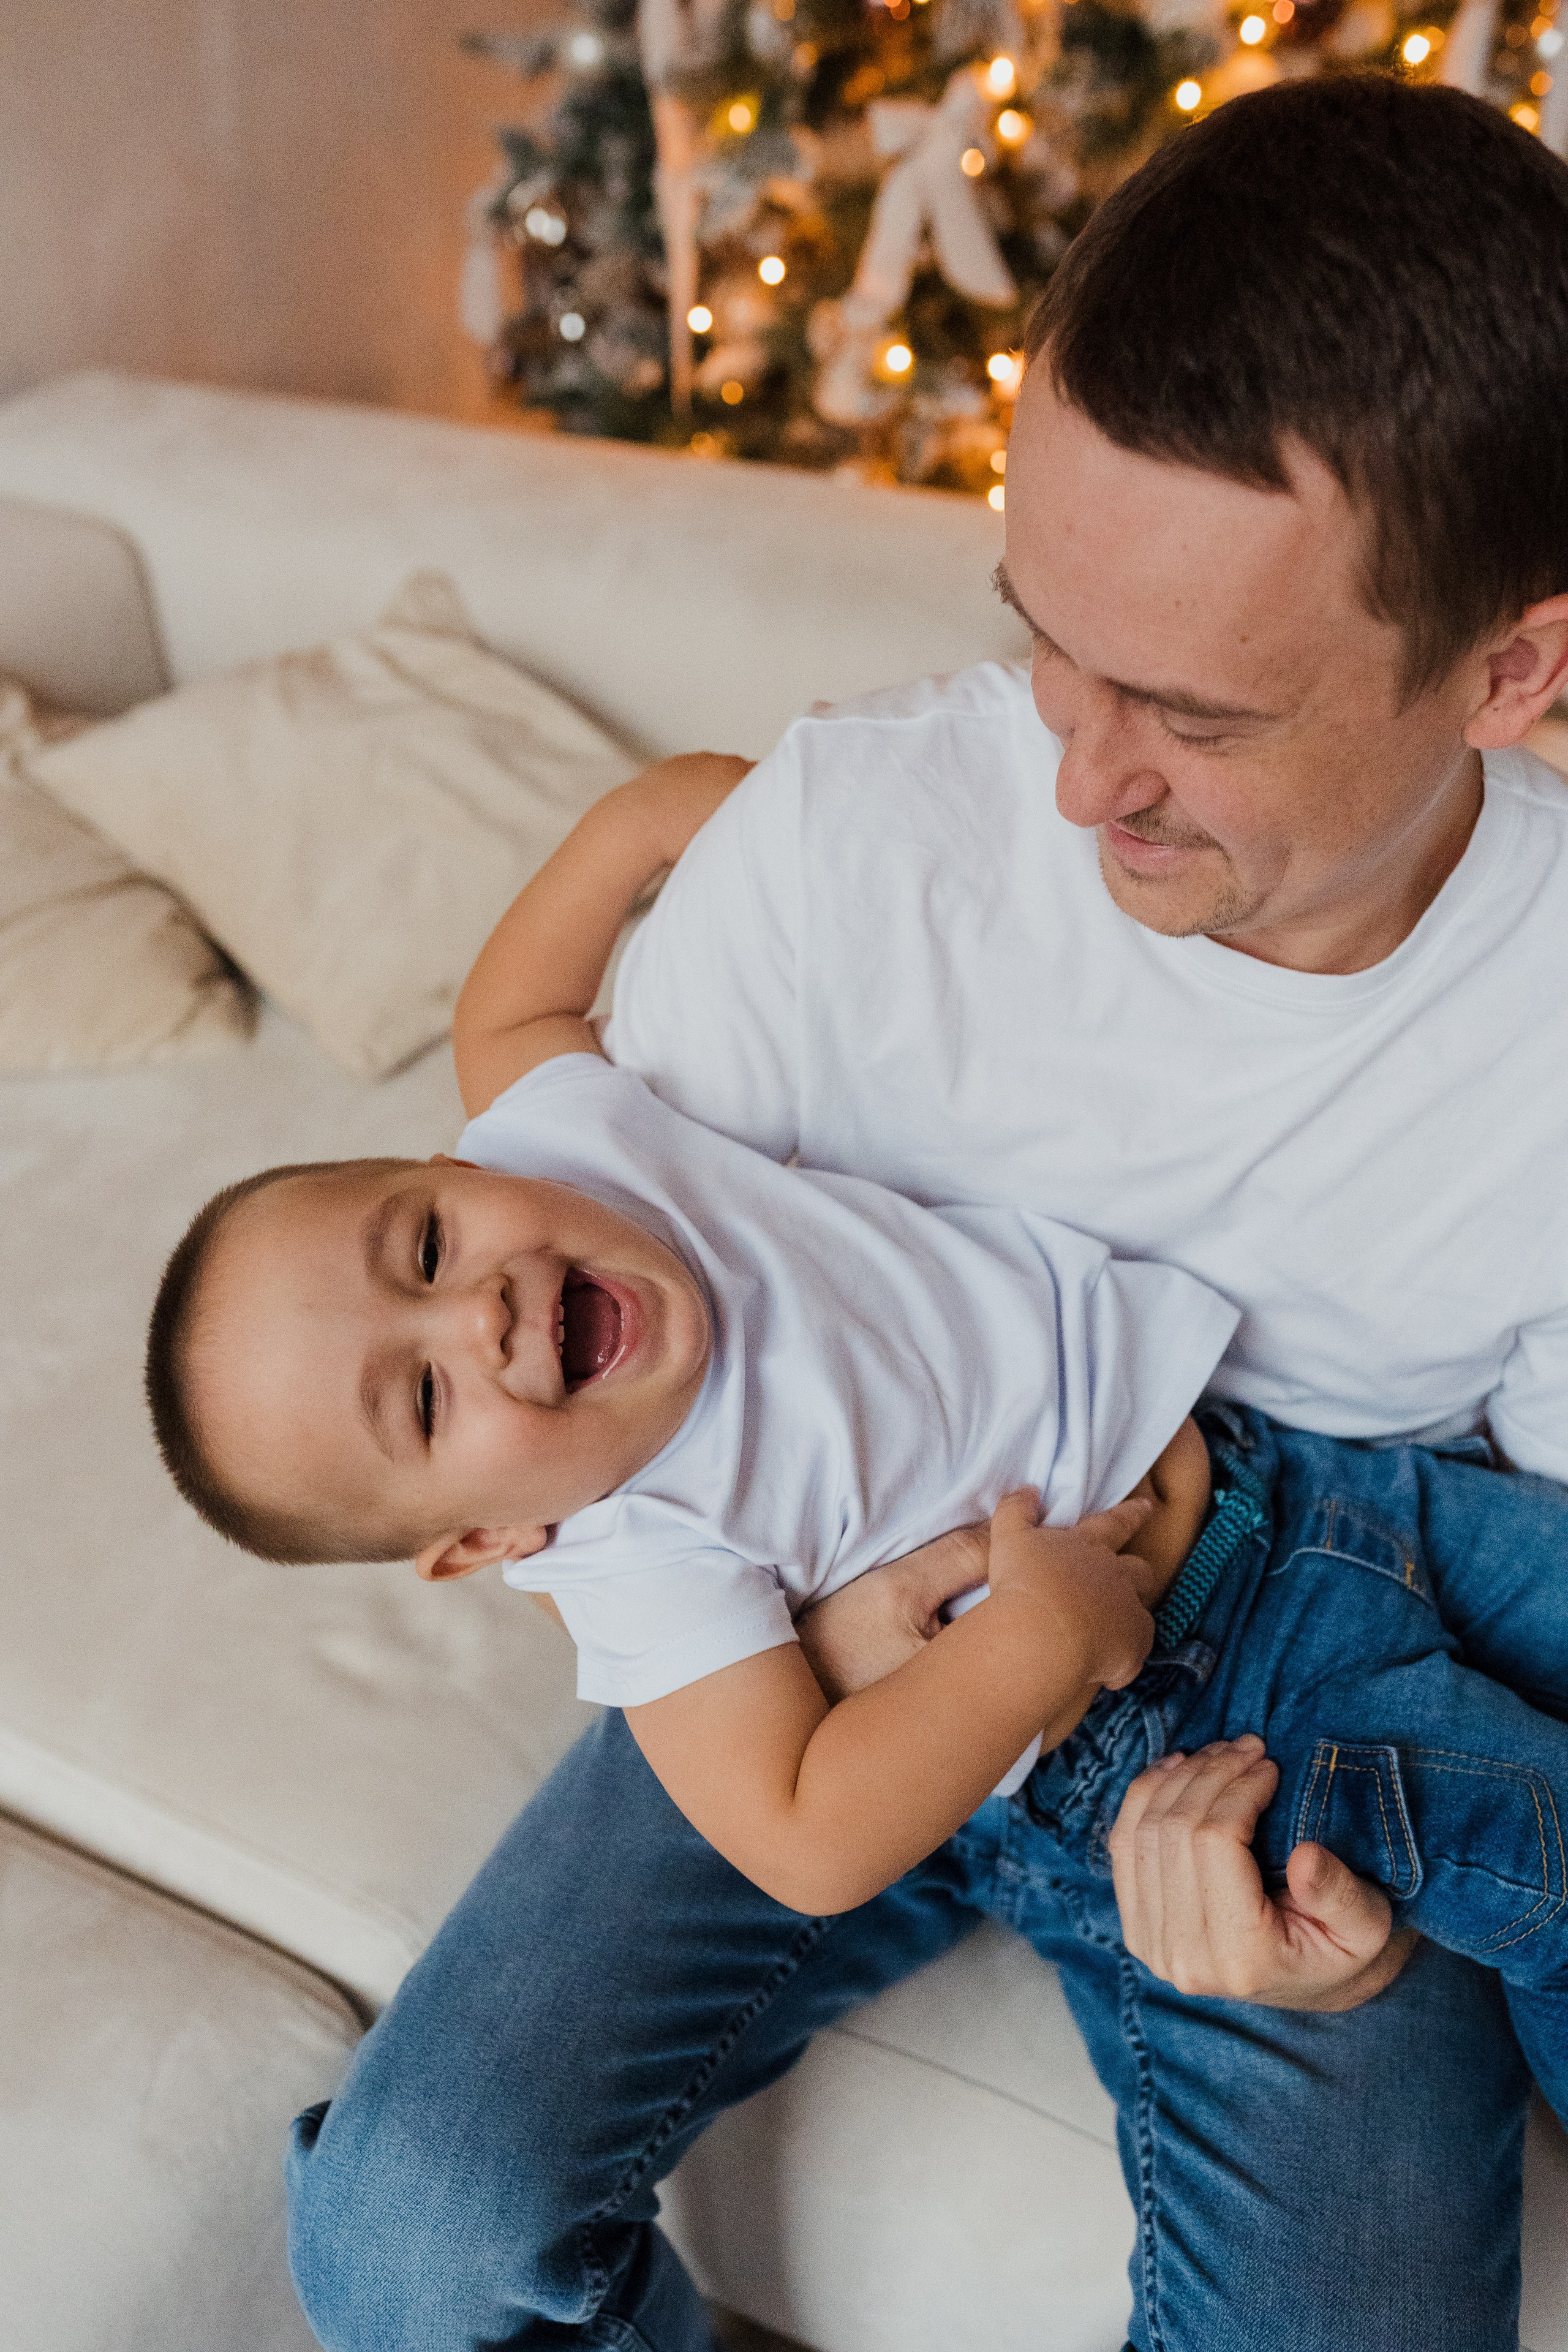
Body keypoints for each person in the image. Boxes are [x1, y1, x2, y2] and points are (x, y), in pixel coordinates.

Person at [281, 74, 1568, 2352]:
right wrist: (854, 1649)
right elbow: (530, 1338)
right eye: (1044, 634)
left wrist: (1372, 1921)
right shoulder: (864, 831)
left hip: (1260, 1722)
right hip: (804, 1625)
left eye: (1191, 712)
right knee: (410, 2240)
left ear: (1514, 669)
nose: (1074, 775)